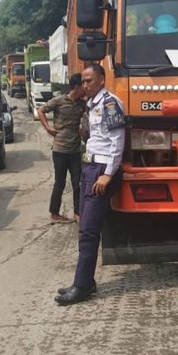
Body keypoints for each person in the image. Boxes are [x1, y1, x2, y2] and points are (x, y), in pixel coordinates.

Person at [54, 64, 125, 305]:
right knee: (85, 225)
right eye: (83, 81)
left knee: (88, 231)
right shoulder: (93, 103)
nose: (86, 85)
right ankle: (87, 281)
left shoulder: (110, 103)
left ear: (102, 80)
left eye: (90, 80)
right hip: (89, 168)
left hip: (101, 170)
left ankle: (82, 286)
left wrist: (108, 174)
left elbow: (117, 141)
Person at [38, 73, 86, 224]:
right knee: (60, 183)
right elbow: (41, 111)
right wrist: (48, 128)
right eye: (83, 86)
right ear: (77, 87)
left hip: (75, 150)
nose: (85, 89)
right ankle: (54, 214)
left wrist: (84, 131)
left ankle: (78, 213)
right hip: (60, 150)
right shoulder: (58, 101)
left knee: (77, 182)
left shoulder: (82, 104)